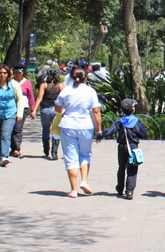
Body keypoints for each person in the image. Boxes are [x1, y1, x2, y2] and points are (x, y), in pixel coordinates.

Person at [55, 67, 102, 197]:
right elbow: (96, 111)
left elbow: (58, 108)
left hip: (68, 125)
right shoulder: (90, 91)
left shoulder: (66, 91)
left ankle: (73, 189)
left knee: (70, 157)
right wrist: (99, 130)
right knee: (85, 154)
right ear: (85, 78)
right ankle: (85, 181)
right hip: (86, 125)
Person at [96, 98, 148, 199]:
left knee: (121, 167)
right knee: (132, 168)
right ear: (133, 110)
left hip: (121, 146)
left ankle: (120, 188)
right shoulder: (136, 121)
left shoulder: (119, 121)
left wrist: (100, 136)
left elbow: (109, 131)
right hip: (133, 146)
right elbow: (143, 133)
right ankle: (129, 191)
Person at [33, 69, 64, 159]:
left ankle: (46, 148)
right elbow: (64, 98)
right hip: (56, 110)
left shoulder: (44, 85)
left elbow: (39, 97)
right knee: (56, 130)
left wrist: (34, 109)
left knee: (45, 129)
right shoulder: (61, 86)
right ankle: (54, 151)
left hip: (45, 109)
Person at [10, 65, 36, 158]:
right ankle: (10, 147)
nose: (17, 75)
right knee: (10, 127)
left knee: (18, 128)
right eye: (15, 73)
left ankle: (16, 148)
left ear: (23, 73)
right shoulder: (10, 82)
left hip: (23, 108)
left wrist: (32, 109)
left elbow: (31, 96)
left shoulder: (27, 83)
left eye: (19, 73)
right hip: (11, 107)